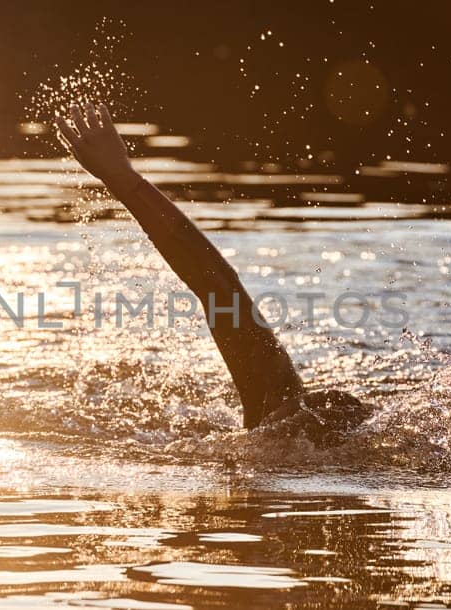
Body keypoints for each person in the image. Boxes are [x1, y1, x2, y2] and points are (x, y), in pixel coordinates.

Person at [52, 104, 372, 441]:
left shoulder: (273, 417)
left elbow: (216, 281)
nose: (295, 423)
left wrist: (123, 180)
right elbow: (218, 283)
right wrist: (124, 181)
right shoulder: (276, 404)